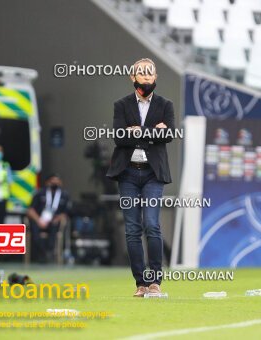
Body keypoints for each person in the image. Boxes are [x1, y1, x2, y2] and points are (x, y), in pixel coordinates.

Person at [106, 58, 174, 297]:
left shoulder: (166, 105)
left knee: (152, 225)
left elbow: (169, 135)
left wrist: (138, 131)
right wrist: (153, 133)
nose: (147, 81)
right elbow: (118, 137)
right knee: (132, 229)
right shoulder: (121, 105)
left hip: (153, 174)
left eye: (150, 77)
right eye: (142, 77)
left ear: (155, 78)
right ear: (132, 78)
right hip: (127, 173)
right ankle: (140, 283)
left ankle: (156, 281)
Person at [27, 174, 71, 263]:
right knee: (34, 228)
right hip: (39, 219)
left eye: (57, 180)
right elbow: (30, 210)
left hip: (54, 220)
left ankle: (49, 252)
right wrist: (39, 220)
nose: (55, 183)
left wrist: (57, 218)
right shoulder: (40, 193)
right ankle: (40, 253)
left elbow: (66, 213)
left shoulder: (64, 195)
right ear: (47, 182)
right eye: (52, 181)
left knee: (55, 226)